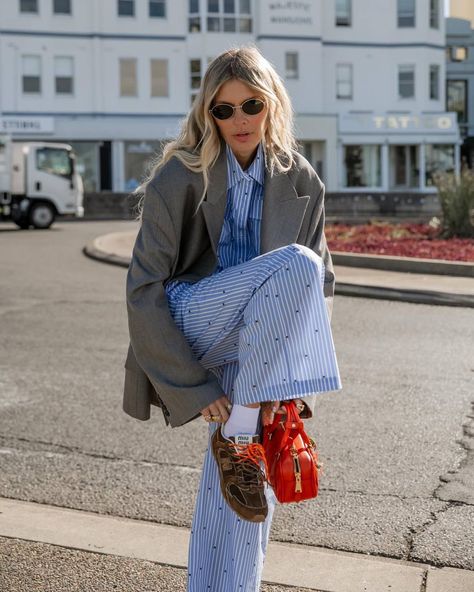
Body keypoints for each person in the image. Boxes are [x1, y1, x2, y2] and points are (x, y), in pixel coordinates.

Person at [124, 46, 342, 592]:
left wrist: (281, 385)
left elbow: (323, 290)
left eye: (251, 105)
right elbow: (144, 289)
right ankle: (242, 428)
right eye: (224, 110)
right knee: (297, 262)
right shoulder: (180, 174)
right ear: (207, 114)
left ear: (271, 105)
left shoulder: (302, 180)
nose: (239, 120)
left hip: (255, 346)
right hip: (193, 318)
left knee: (245, 496)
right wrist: (195, 388)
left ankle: (239, 442)